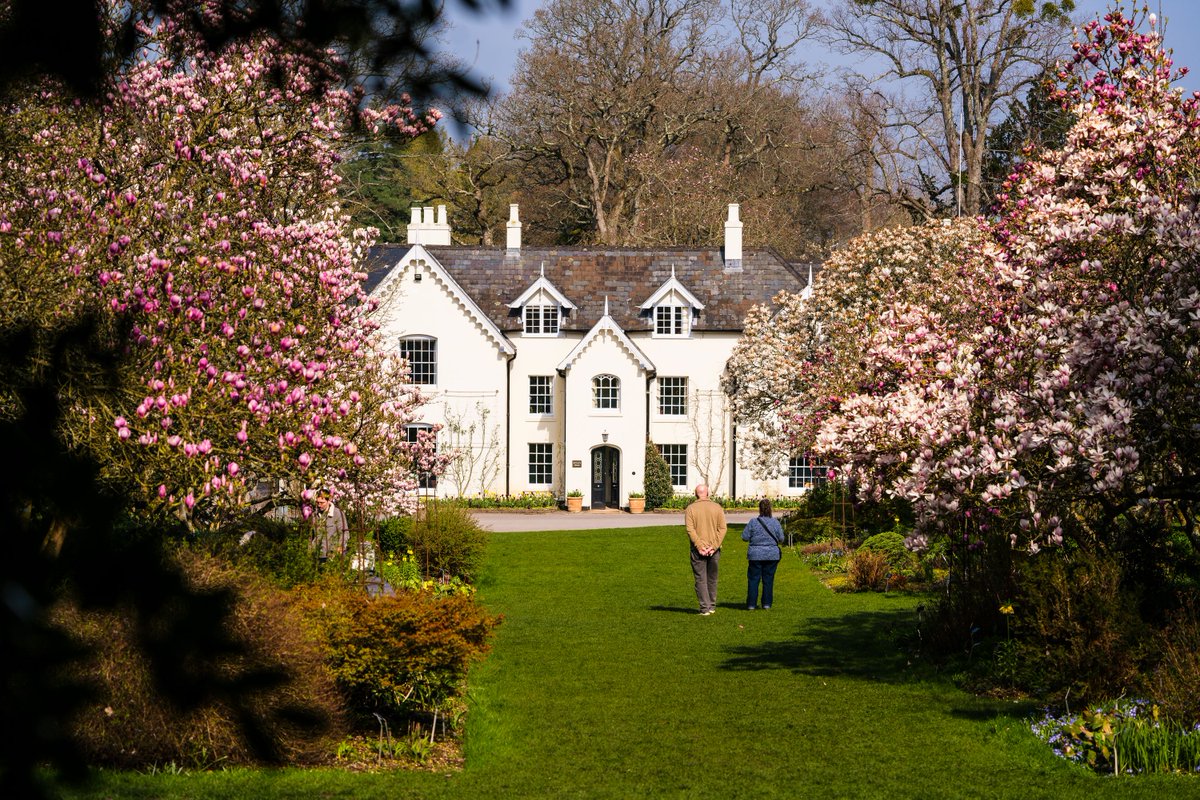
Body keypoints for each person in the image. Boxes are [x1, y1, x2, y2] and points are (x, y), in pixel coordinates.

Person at [685, 483, 726, 615]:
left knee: (701, 579)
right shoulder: (717, 507)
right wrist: (714, 546)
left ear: (696, 494)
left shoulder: (690, 509)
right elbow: (723, 529)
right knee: (712, 578)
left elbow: (690, 530)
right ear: (707, 493)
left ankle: (705, 608)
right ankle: (711, 605)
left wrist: (700, 546)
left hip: (699, 550)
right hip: (713, 549)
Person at [742, 498, 785, 610]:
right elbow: (781, 538)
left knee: (753, 580)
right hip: (771, 555)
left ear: (759, 509)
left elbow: (744, 537)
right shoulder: (775, 522)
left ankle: (751, 604)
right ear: (770, 509)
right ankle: (766, 604)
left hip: (755, 554)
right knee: (768, 580)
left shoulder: (753, 522)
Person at [313, 491, 349, 564]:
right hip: (317, 554)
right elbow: (312, 535)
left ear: (328, 501)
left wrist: (340, 547)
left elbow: (344, 533)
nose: (319, 505)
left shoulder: (337, 513)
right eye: (317, 502)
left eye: (322, 502)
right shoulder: (314, 515)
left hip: (332, 554)